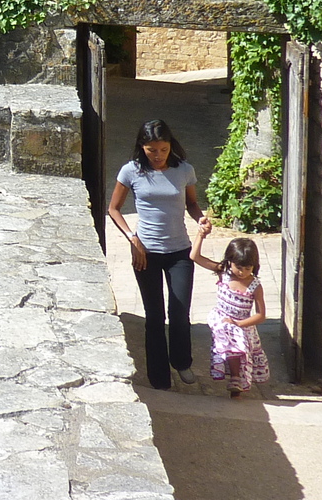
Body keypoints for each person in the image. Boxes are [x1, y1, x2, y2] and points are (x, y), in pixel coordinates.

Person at [107, 119, 209, 389]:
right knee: (154, 317)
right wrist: (132, 238)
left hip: (180, 253)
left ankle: (181, 362)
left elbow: (192, 204)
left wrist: (201, 220)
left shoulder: (184, 170)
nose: (158, 155)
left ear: (170, 146)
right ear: (142, 147)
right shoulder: (131, 171)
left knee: (179, 313)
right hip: (146, 254)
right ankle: (159, 377)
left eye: (163, 149)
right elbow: (114, 209)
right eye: (152, 150)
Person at [192, 228, 270, 397]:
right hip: (222, 321)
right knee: (232, 350)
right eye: (238, 267)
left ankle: (237, 383)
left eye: (247, 268)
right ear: (229, 262)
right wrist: (200, 235)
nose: (242, 272)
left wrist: (239, 324)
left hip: (242, 326)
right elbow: (195, 257)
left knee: (240, 355)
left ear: (254, 266)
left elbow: (261, 315)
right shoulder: (224, 273)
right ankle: (235, 380)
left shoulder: (255, 286)